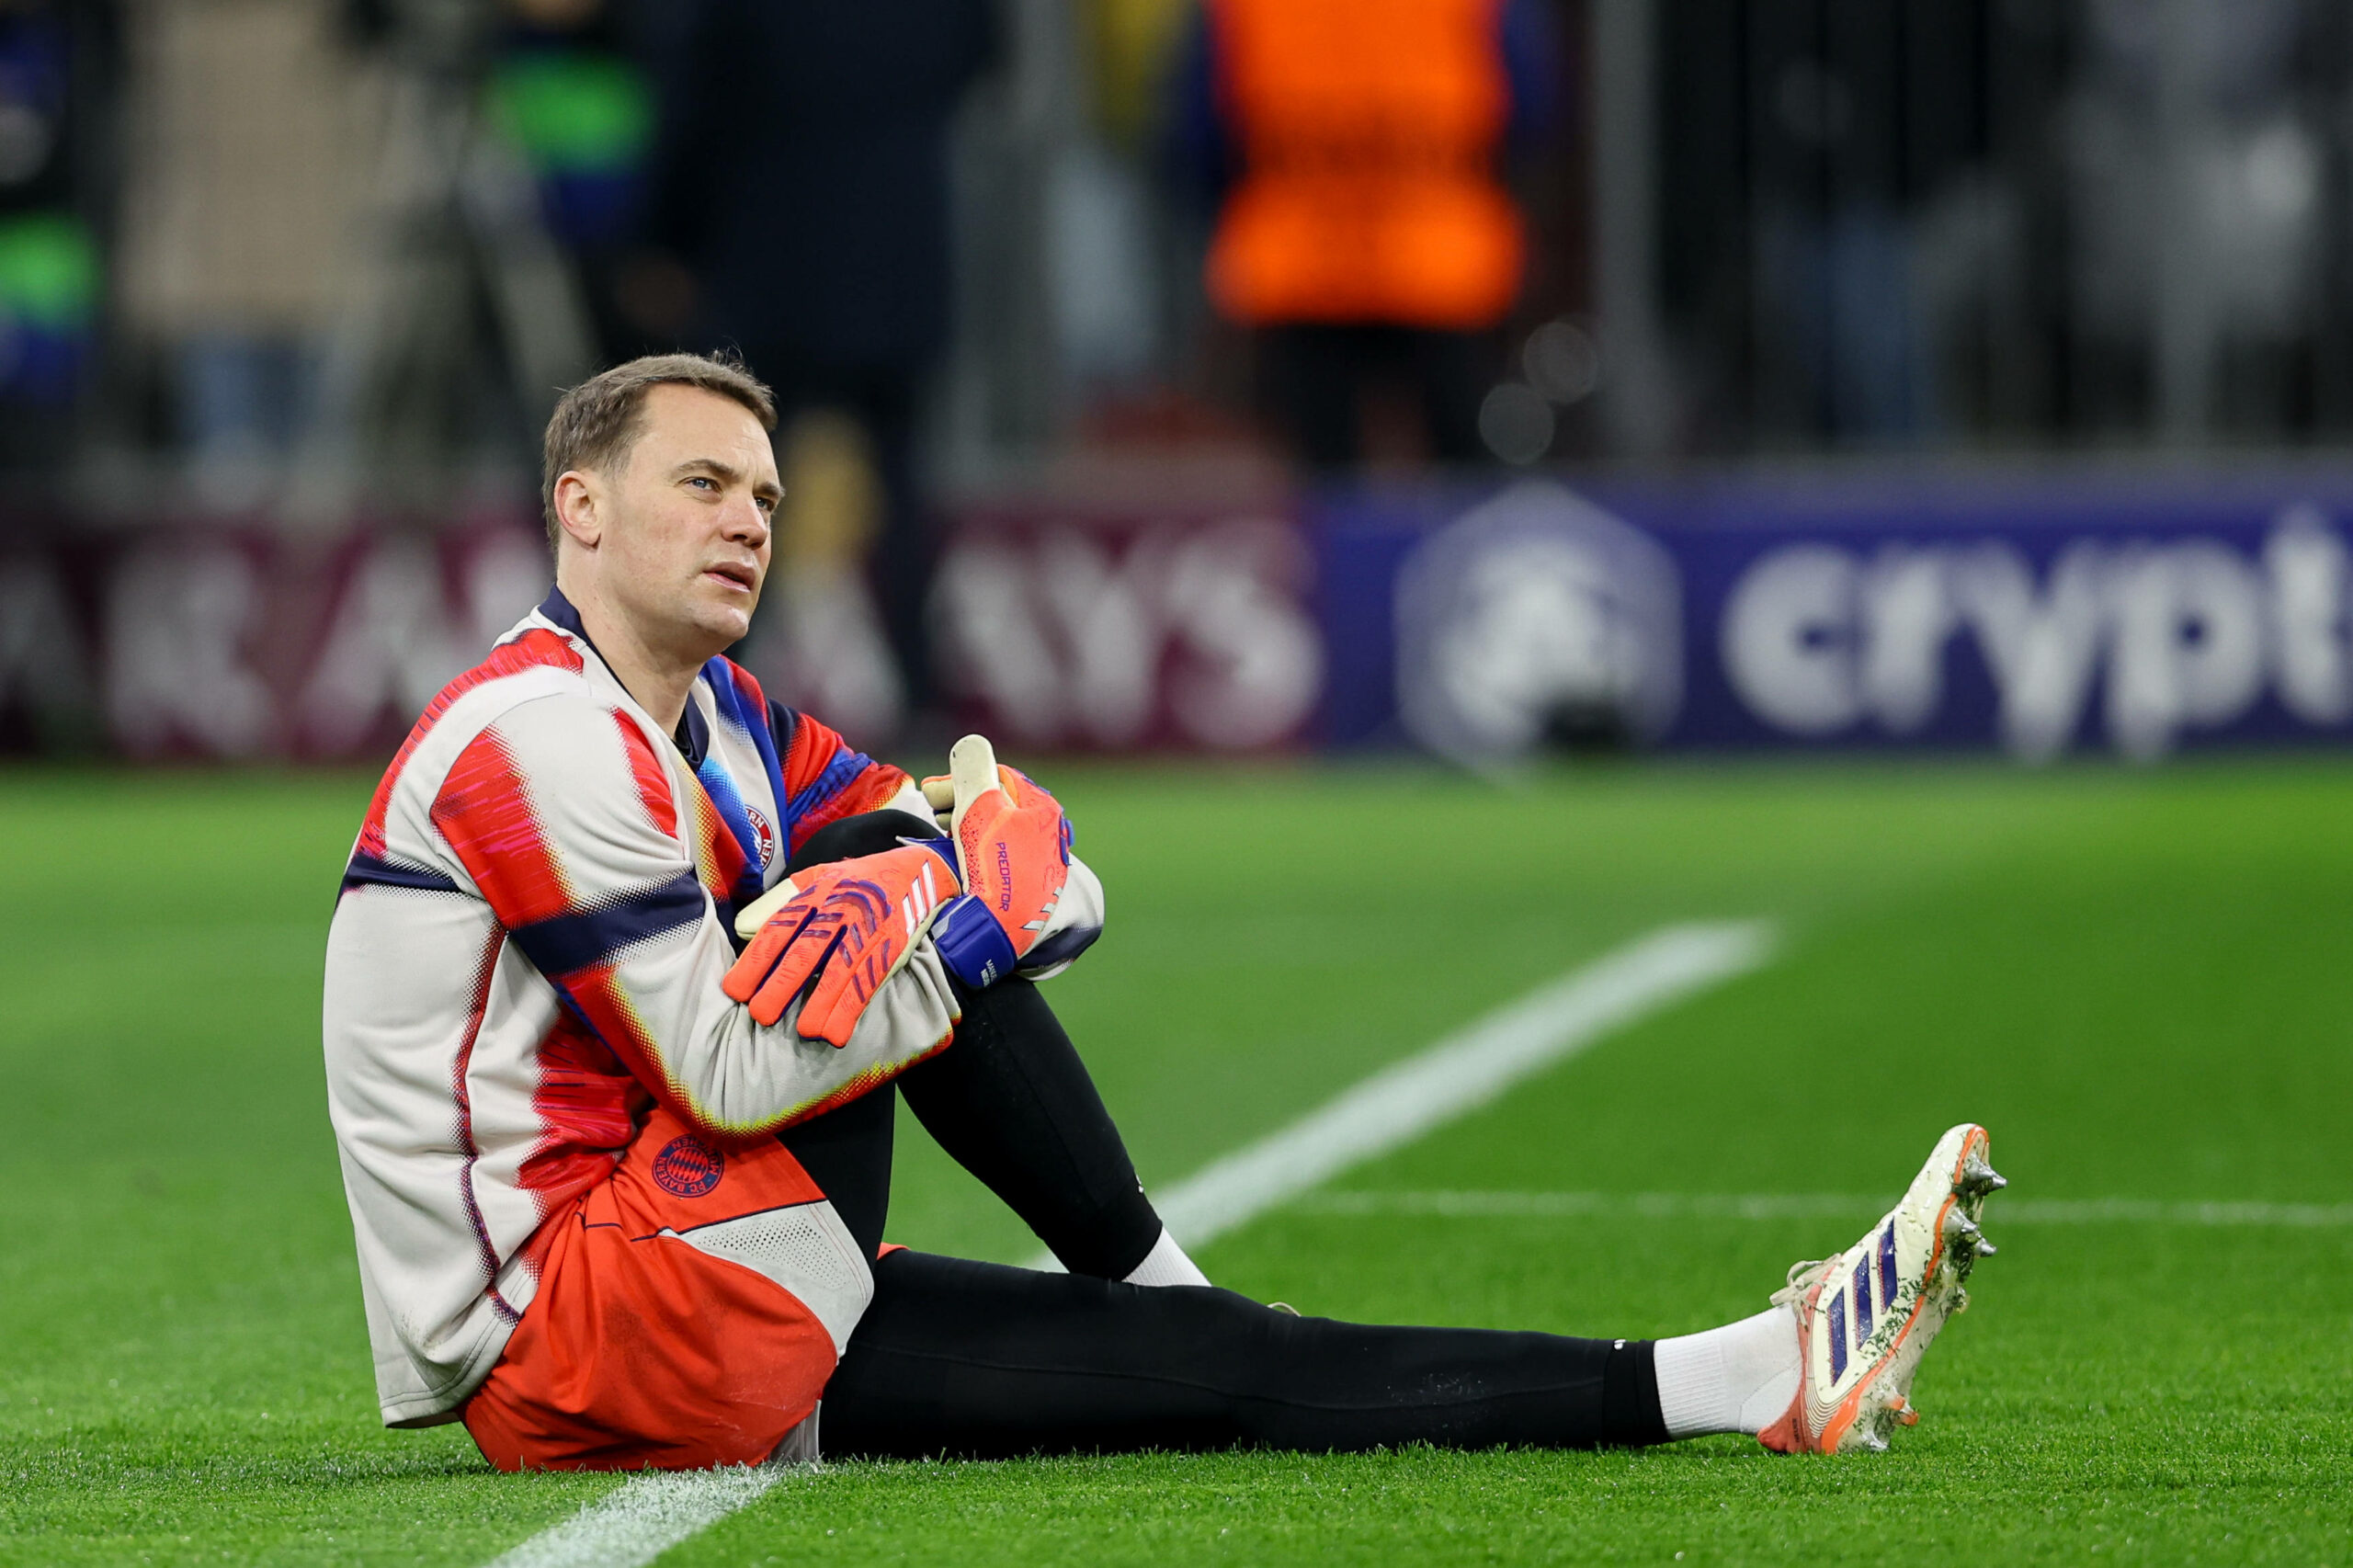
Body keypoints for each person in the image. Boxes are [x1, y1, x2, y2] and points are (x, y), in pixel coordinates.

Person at [322, 352, 2004, 1471]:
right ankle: (1182, 1287)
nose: (749, 519)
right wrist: (955, 901)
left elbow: (1046, 883)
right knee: (881, 897)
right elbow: (741, 1069)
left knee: (1238, 1381)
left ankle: (1757, 1373)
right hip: (582, 1317)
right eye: (701, 485)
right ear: (580, 509)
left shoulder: (721, 716)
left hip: (684, 1269)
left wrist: (985, 873)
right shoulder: (535, 737)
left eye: (764, 493)